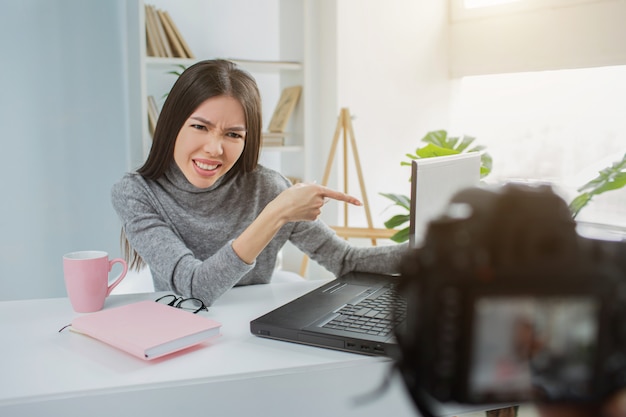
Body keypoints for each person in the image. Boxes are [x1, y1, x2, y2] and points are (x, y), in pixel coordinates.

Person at [111, 59, 407, 306]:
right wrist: (276, 213)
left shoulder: (267, 187)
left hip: (256, 333)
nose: (215, 149)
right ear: (172, 125)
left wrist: (437, 249)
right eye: (200, 127)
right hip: (179, 334)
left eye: (233, 134)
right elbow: (195, 289)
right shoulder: (137, 192)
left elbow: (345, 261)